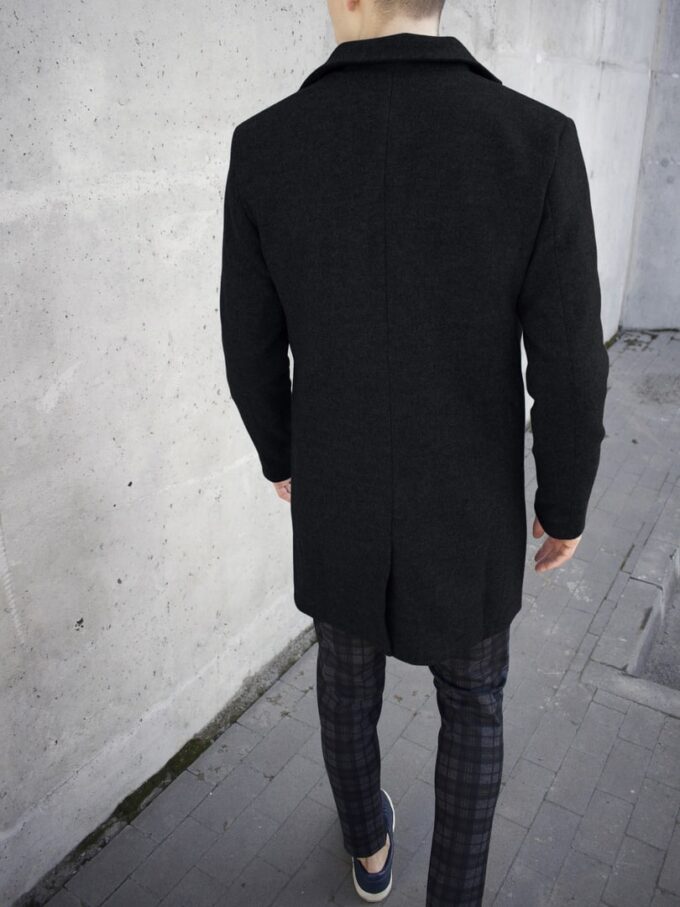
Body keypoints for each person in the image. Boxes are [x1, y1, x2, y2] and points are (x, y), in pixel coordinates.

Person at [219, 0, 609, 904]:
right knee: (473, 705)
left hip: (339, 491)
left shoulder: (266, 144)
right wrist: (566, 500)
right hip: (469, 503)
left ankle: (368, 849)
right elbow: (569, 358)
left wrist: (281, 454)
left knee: (345, 682)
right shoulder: (535, 140)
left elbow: (248, 338)